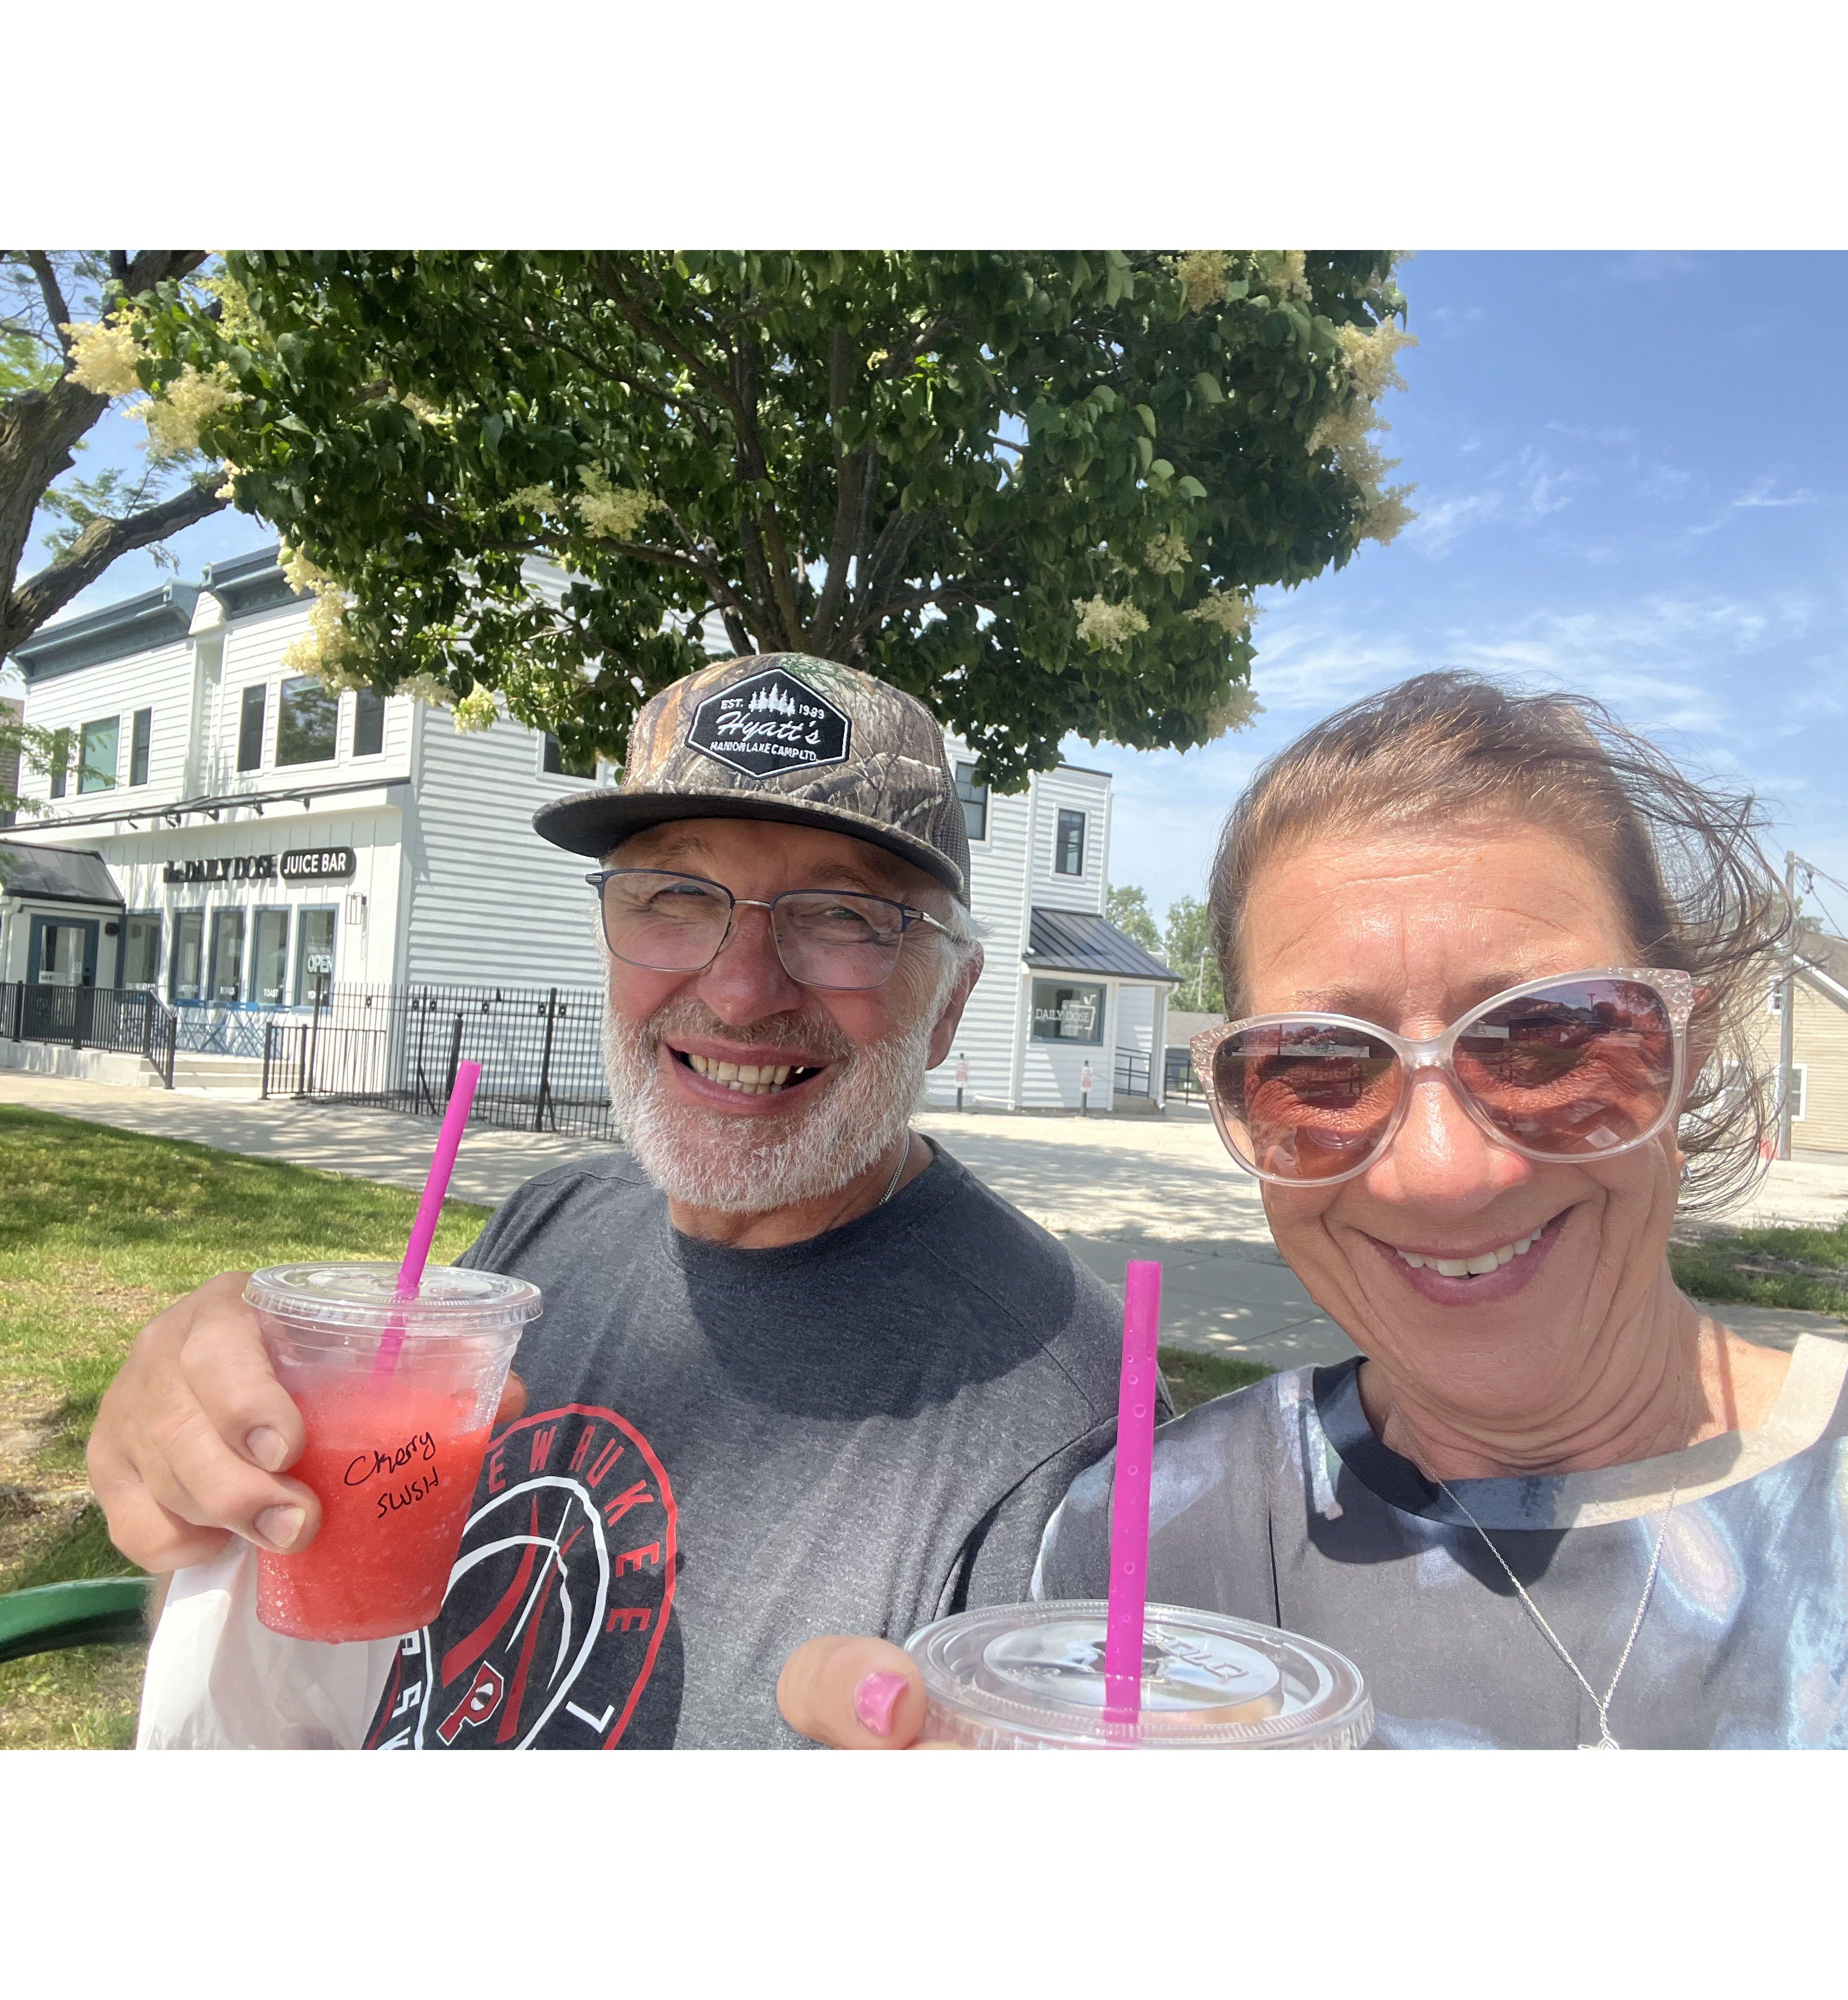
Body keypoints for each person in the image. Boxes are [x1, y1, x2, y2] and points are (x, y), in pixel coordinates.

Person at [780, 672, 1848, 1750]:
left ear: (1690, 1047)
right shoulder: (1154, 1548)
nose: (1441, 1171)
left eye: (1550, 1035)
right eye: (1317, 1064)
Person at [89, 653, 1147, 1750]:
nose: (739, 991)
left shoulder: (1070, 1428)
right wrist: (212, 1506)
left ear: (947, 1005)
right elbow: (337, 1671)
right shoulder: (548, 1226)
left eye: (839, 917)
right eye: (677, 898)